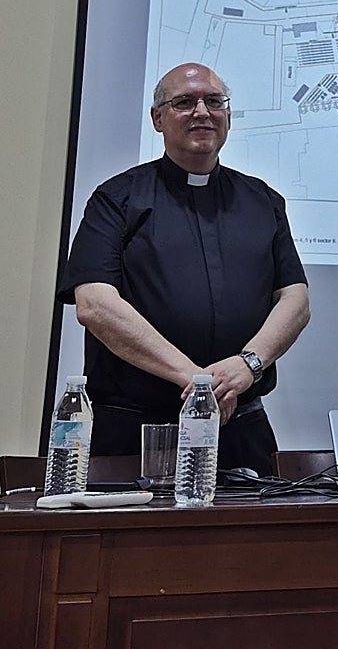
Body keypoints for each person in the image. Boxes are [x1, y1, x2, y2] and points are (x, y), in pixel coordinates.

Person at [57, 63, 311, 477]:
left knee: (253, 542)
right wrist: (195, 381)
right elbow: (95, 304)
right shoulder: (116, 199)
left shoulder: (263, 200)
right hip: (135, 429)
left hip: (241, 427)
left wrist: (248, 364)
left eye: (214, 101)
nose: (202, 111)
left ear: (228, 115)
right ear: (158, 118)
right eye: (183, 102)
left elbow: (295, 299)